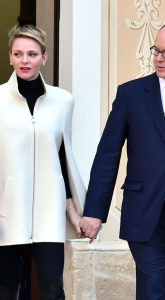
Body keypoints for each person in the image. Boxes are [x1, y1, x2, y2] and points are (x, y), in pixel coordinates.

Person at [0, 24, 85, 300]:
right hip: (4, 211)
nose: (25, 60)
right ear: (10, 57)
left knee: (51, 287)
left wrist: (72, 207)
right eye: (18, 53)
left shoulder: (63, 101)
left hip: (50, 210)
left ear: (44, 58)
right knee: (6, 286)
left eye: (32, 54)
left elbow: (62, 156)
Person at [80, 25, 165, 300]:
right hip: (146, 214)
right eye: (157, 51)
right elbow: (108, 154)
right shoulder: (131, 94)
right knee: (153, 290)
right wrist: (94, 211)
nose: (160, 58)